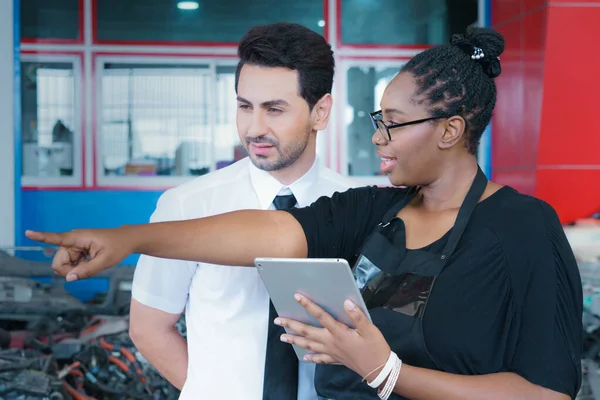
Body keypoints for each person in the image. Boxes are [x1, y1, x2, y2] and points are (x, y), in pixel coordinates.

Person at [27, 27, 583, 400]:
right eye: (244, 105)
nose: (377, 136)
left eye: (392, 122)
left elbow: (548, 390)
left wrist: (386, 370)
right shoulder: (374, 210)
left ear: (450, 130)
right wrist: (128, 237)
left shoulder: (523, 228)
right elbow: (271, 232)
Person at [126, 23, 357, 400]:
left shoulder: (356, 208)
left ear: (321, 111)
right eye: (244, 107)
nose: (254, 128)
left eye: (275, 110)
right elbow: (148, 328)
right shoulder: (187, 206)